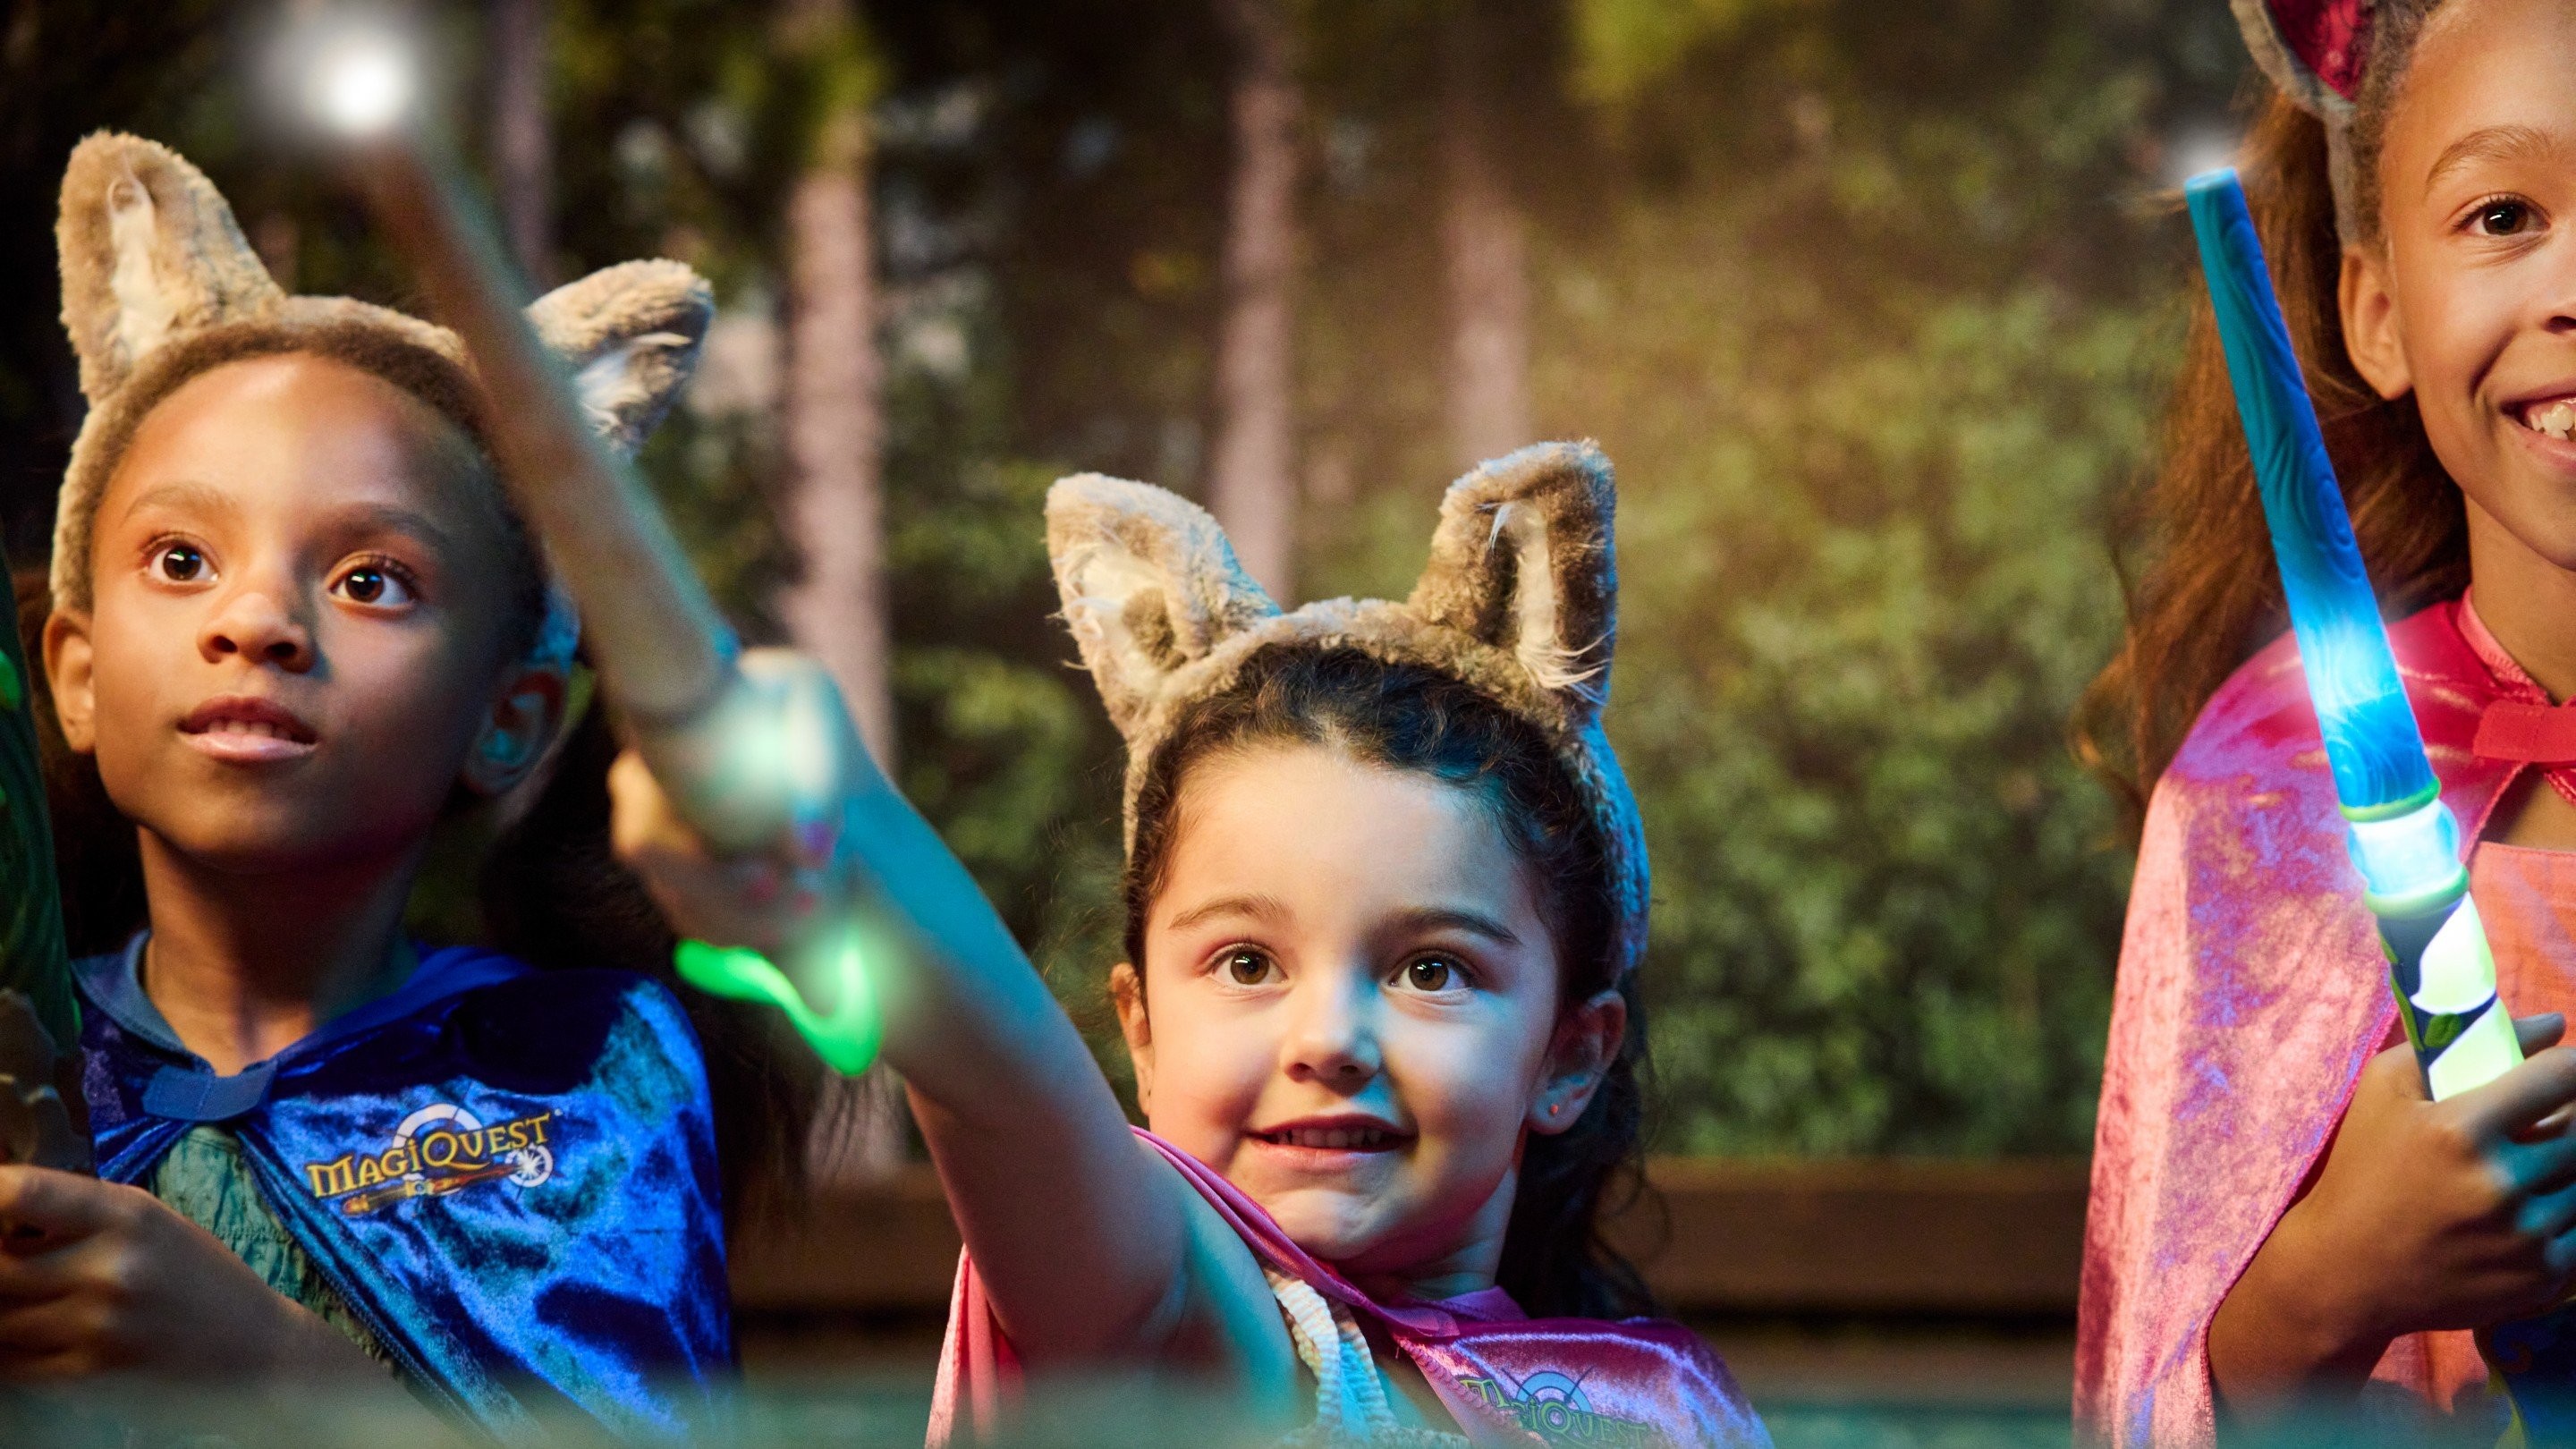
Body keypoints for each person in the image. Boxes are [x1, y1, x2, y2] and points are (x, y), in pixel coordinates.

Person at [616, 442, 1769, 1445]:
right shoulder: (1195, 1341)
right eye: (1247, 963)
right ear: (1142, 1030)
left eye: (1432, 969)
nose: (1329, 1039)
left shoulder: (1661, 1403)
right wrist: (842, 830)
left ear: (1570, 1055)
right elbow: (1002, 1086)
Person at [7, 132, 815, 1439]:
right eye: (179, 559)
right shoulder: (24, 1054)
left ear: (510, 719)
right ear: (78, 676)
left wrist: (264, 1368)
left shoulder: (577, 1077)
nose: (257, 619)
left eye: (371, 580)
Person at [2075, 0, 2576, 1440]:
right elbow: (2142, 1406)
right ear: (2378, 312)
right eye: (2500, 214)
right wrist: (2329, 1281)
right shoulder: (2265, 803)